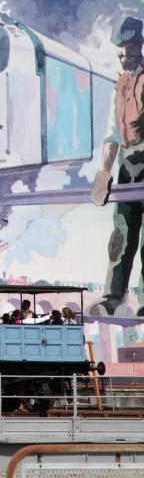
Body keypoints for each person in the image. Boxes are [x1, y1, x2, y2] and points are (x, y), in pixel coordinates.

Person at [91, 16, 144, 316]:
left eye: (128, 50)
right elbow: (112, 131)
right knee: (121, 232)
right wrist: (104, 173)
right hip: (127, 158)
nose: (124, 57)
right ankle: (113, 297)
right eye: (120, 51)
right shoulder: (121, 84)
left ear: (140, 45)